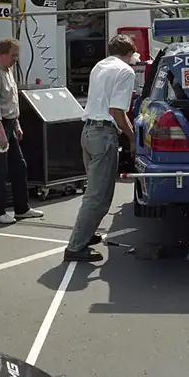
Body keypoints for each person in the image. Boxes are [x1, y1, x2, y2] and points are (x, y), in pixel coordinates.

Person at [64, 34, 138, 262]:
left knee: (94, 191)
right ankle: (76, 247)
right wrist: (132, 137)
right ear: (129, 52)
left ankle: (86, 233)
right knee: (99, 195)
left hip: (87, 131)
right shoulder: (126, 72)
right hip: (104, 134)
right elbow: (118, 110)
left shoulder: (100, 65)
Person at [0, 38, 44, 224]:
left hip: (8, 125)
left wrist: (16, 125)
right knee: (0, 170)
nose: (16, 58)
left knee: (19, 165)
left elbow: (11, 101)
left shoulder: (8, 71)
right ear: (3, 53)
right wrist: (0, 131)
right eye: (13, 55)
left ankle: (22, 208)